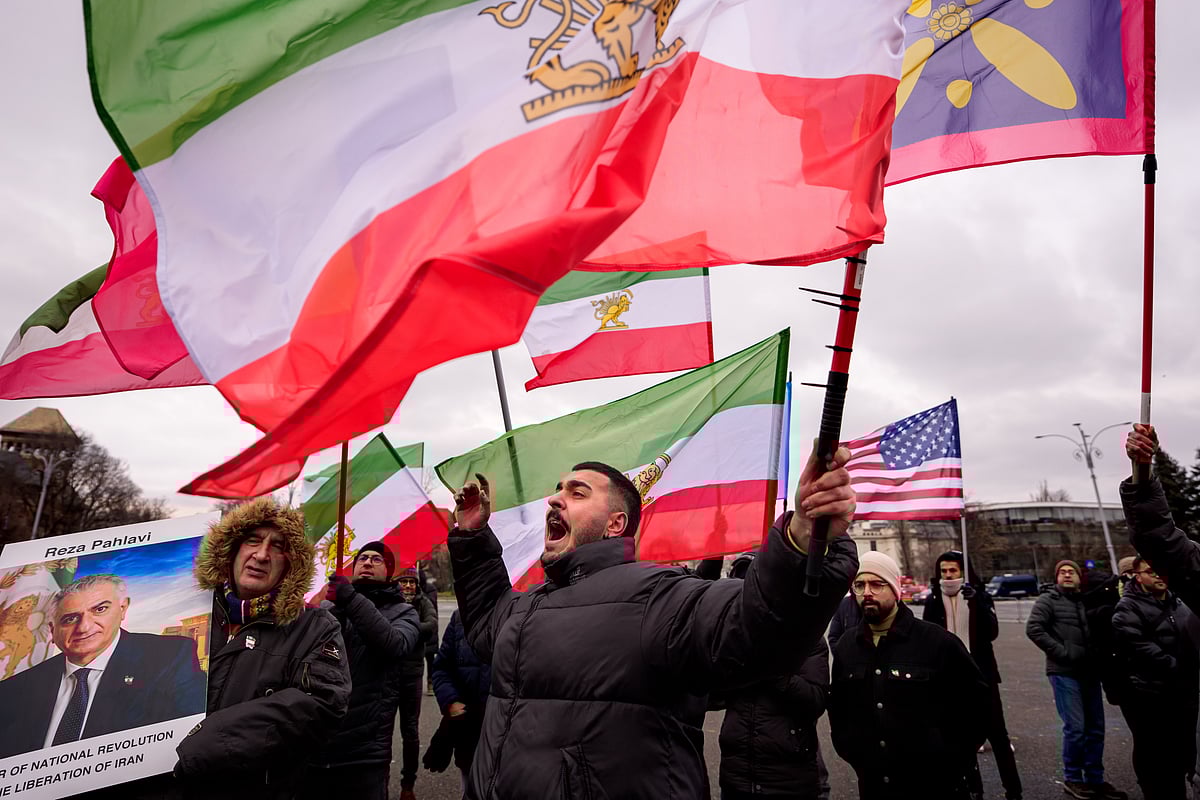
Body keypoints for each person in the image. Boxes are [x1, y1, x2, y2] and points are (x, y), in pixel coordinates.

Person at [446, 445, 858, 799]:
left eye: (577, 492)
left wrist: (802, 539)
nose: (554, 500)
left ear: (615, 524)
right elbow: (484, 624)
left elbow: (757, 622)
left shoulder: (657, 596)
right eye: (558, 490)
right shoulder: (530, 604)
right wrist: (472, 537)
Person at [173, 498, 351, 800]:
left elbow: (324, 702)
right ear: (231, 550)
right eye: (253, 541)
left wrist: (218, 738)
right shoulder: (187, 613)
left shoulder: (315, 627)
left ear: (291, 564)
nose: (262, 554)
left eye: (278, 546)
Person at [829, 551, 989, 799]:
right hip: (874, 785)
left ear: (895, 590)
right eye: (859, 585)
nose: (867, 592)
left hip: (934, 785)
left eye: (877, 584)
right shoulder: (847, 646)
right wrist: (853, 752)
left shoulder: (937, 642)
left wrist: (949, 762)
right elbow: (839, 709)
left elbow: (976, 706)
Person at [0, 574, 207, 758]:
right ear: (53, 631)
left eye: (99, 610)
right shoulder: (14, 689)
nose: (84, 627)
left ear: (122, 608)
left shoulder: (170, 657)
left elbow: (191, 741)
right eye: (70, 619)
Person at [301, 541, 421, 800]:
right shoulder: (328, 609)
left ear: (388, 572)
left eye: (376, 560)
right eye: (362, 558)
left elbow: (395, 645)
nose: (367, 562)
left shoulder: (404, 612)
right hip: (316, 747)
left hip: (365, 754)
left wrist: (351, 599)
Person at [923, 550, 1022, 800]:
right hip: (949, 678)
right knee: (961, 739)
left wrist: (977, 603)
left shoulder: (980, 596)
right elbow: (928, 637)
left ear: (963, 572)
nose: (948, 575)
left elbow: (991, 632)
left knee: (998, 735)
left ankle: (1013, 790)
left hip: (982, 675)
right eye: (944, 571)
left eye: (953, 570)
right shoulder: (934, 600)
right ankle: (974, 790)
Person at [1026, 559, 1127, 799]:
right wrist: (1063, 652)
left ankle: (1095, 778)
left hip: (1090, 671)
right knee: (1076, 728)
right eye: (1062, 572)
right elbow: (1034, 628)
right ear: (1056, 577)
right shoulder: (1048, 600)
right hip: (1063, 672)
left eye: (1071, 571)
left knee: (1096, 728)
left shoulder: (1086, 600)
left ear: (1080, 577)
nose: (1067, 575)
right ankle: (1073, 778)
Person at [1112, 556, 1198, 800]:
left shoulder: (1180, 601)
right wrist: (1177, 666)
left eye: (1161, 570)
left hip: (1184, 691)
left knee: (1186, 748)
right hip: (1151, 693)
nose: (1158, 575)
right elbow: (1139, 646)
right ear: (1138, 577)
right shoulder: (1127, 607)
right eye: (1151, 571)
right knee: (1158, 755)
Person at [716, 636, 829, 799]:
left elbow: (815, 700)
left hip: (787, 781)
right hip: (736, 777)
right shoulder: (739, 633)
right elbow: (713, 692)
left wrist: (774, 669)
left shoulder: (809, 636)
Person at [427, 609, 493, 785]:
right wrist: (451, 703)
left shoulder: (524, 613)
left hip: (510, 738)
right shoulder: (460, 617)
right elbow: (442, 668)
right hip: (469, 736)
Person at [396, 566, 437, 800]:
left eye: (411, 582)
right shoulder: (389, 603)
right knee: (381, 731)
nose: (408, 586)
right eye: (404, 582)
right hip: (389, 676)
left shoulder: (423, 602)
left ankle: (408, 783)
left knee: (410, 731)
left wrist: (405, 630)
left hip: (412, 676)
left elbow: (431, 625)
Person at [419, 565, 439, 695]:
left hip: (429, 629)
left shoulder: (430, 589)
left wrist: (420, 593)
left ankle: (431, 681)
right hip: (416, 628)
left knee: (430, 657)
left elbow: (432, 604)